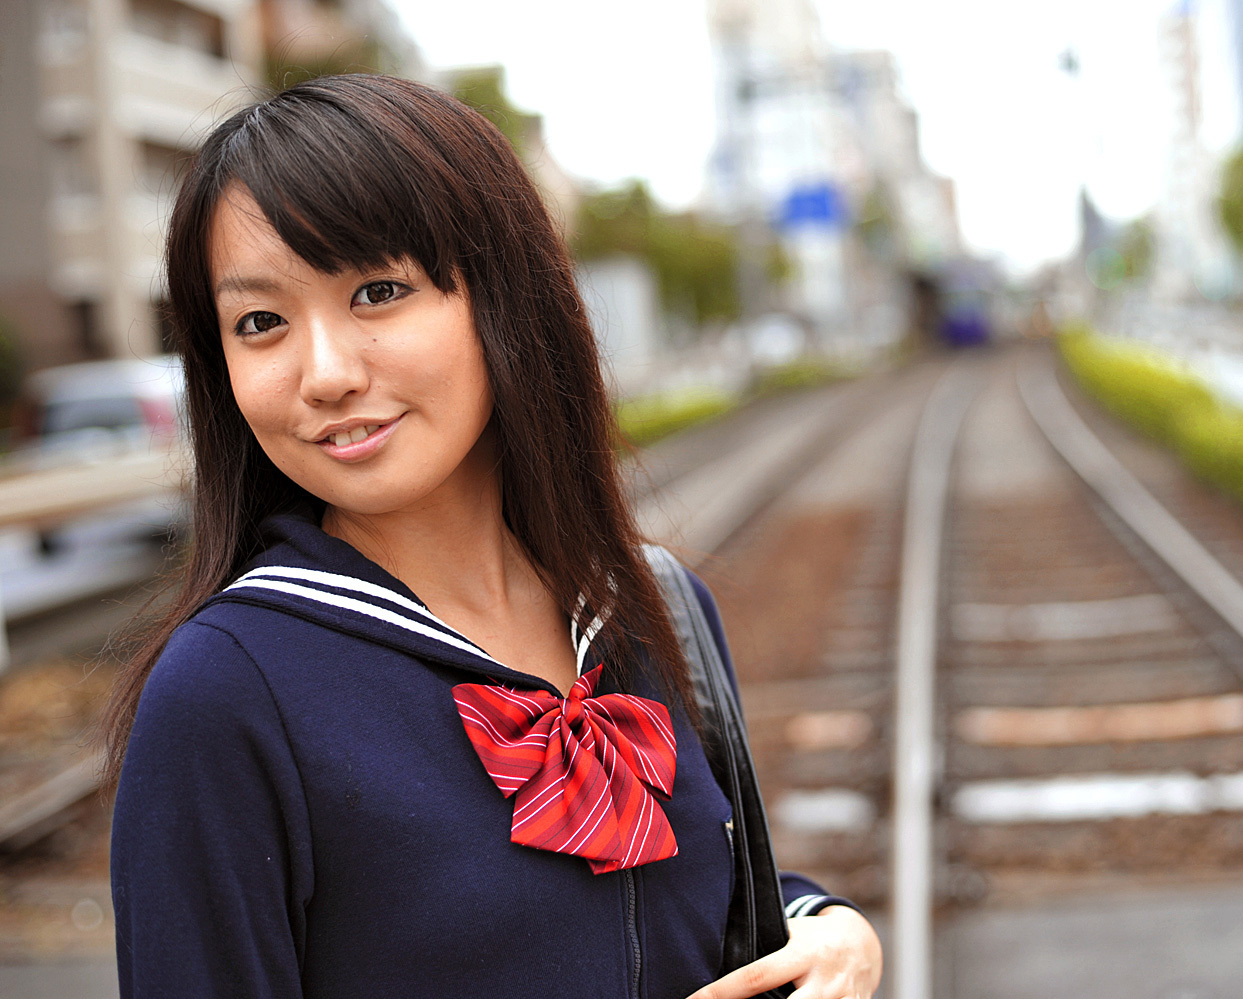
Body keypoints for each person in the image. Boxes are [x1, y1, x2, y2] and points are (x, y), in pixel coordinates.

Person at [101, 74, 882, 999]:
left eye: (377, 291)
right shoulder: (227, 694)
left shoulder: (652, 606)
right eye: (260, 322)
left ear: (504, 301)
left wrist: (824, 927)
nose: (324, 372)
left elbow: (676, 917)